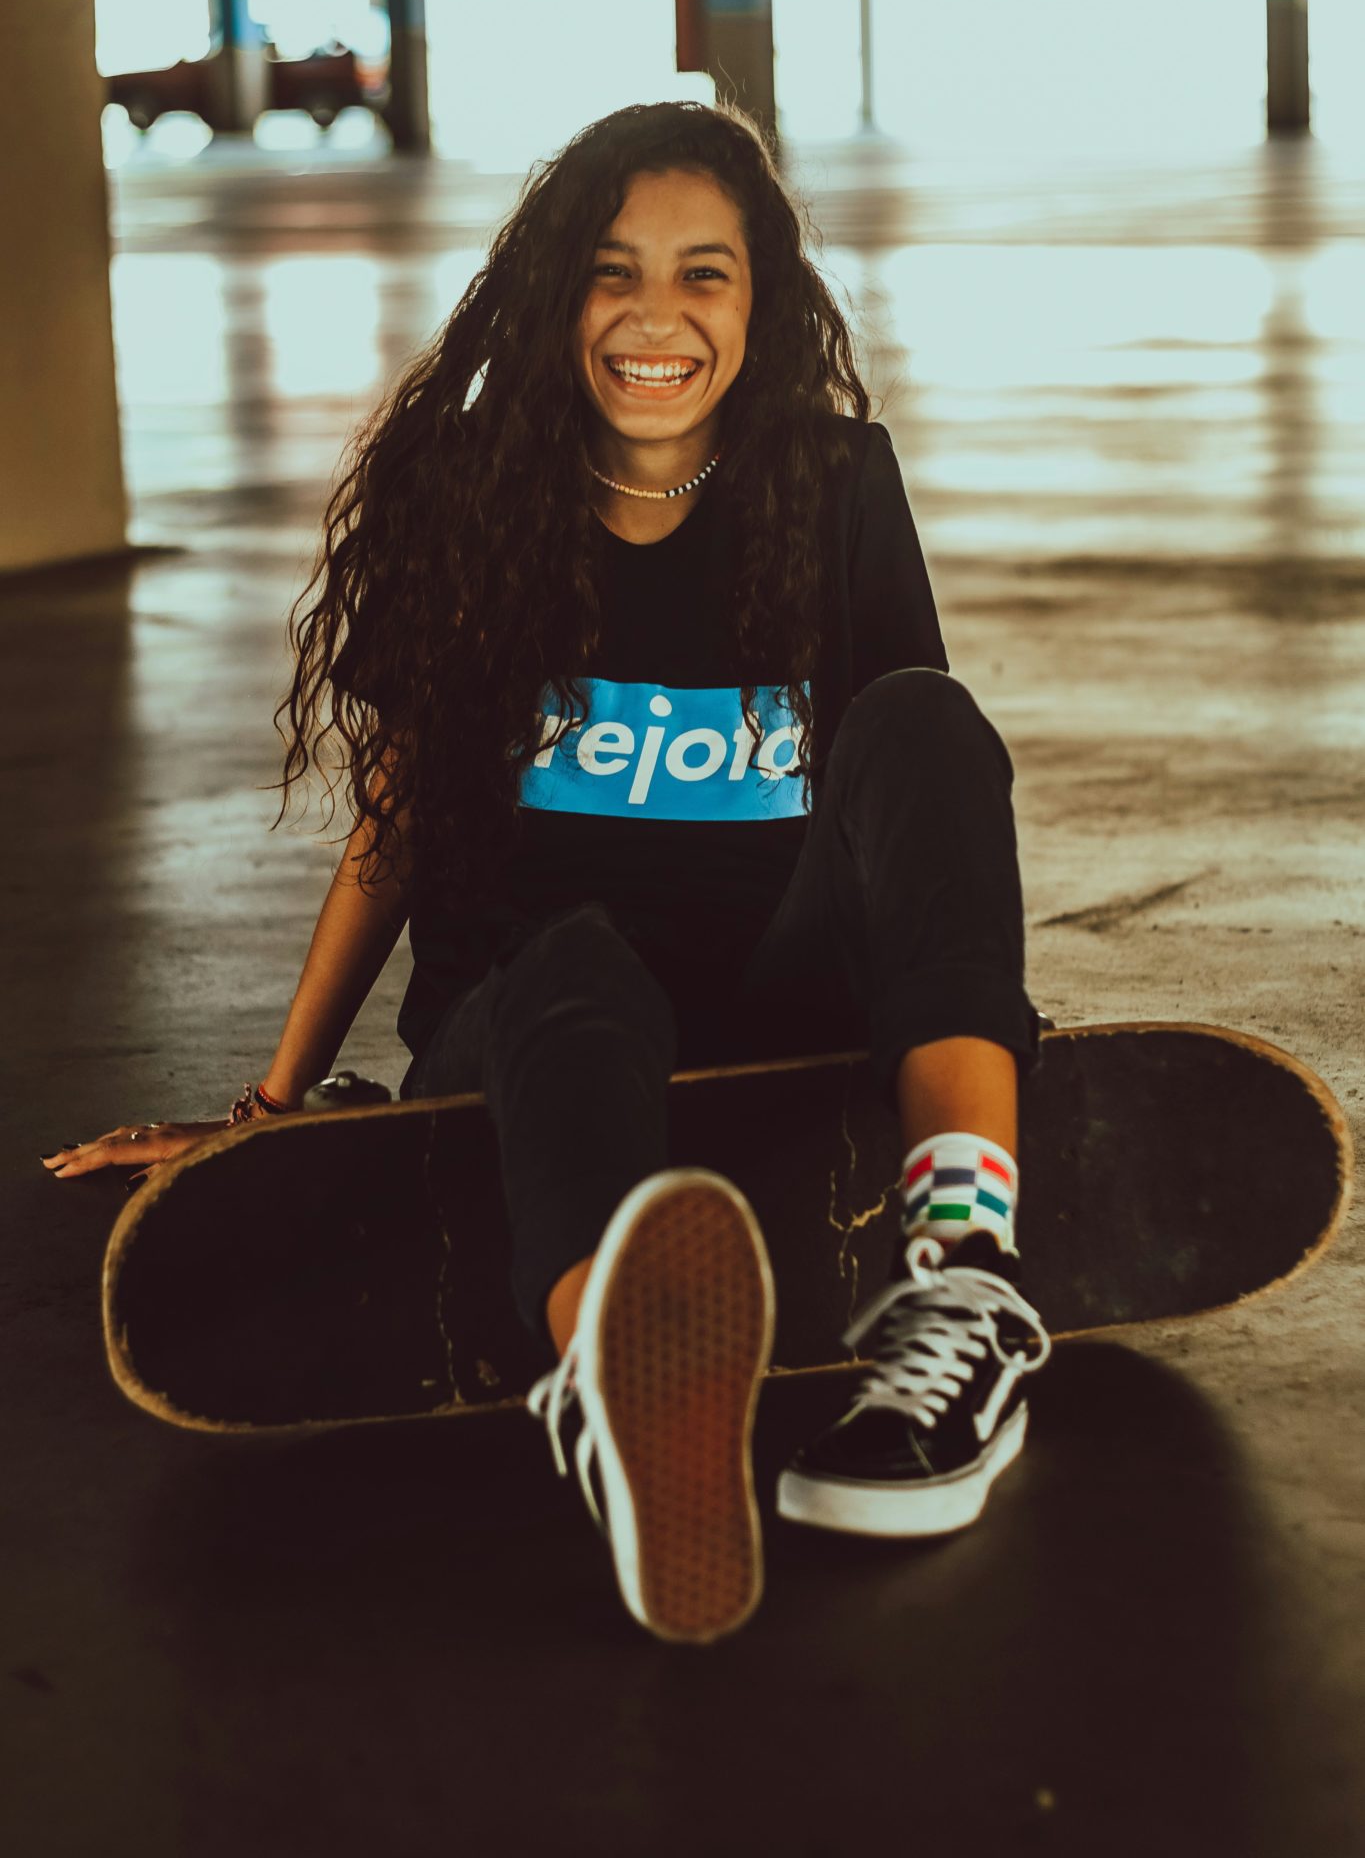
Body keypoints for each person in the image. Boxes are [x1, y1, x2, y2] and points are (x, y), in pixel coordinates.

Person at [41, 99, 1050, 1647]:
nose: (656, 317)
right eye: (610, 271)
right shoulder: (469, 494)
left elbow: (894, 806)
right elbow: (395, 829)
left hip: (768, 998)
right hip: (529, 1020)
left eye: (703, 275)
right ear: (551, 294)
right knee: (573, 952)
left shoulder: (835, 482)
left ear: (758, 302)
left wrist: (934, 998)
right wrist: (271, 1108)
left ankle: (963, 1285)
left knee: (925, 719)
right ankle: (617, 1386)